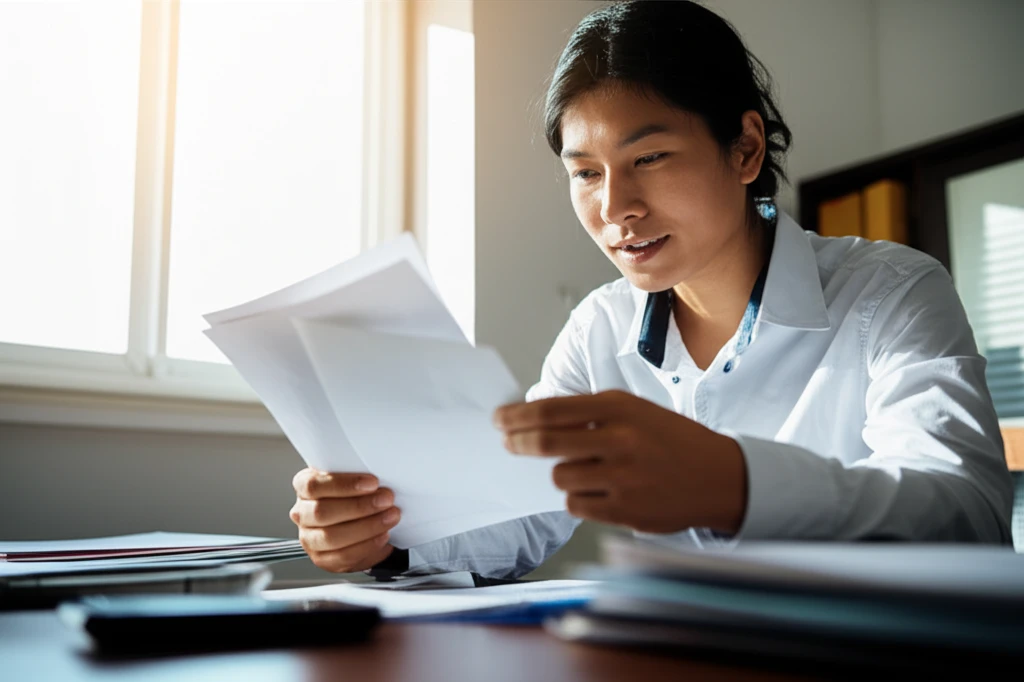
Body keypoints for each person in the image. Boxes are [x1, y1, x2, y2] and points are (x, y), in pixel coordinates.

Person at [288, 0, 1014, 578]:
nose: (615, 208)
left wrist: (735, 481)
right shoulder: (600, 328)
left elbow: (962, 512)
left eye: (651, 156)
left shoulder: (891, 293)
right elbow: (520, 507)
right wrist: (385, 536)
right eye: (586, 173)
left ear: (746, 148)